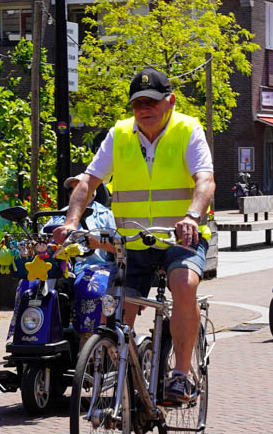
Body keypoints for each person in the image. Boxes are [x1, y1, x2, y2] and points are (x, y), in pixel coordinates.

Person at [54, 67, 214, 406]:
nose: (144, 108)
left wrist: (191, 216)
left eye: (152, 101)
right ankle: (130, 375)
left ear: (170, 101)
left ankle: (181, 375)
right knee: (112, 313)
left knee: (184, 284)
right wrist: (71, 222)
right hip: (132, 244)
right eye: (138, 102)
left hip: (179, 240)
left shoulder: (188, 129)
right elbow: (88, 182)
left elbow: (205, 181)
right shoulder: (119, 135)